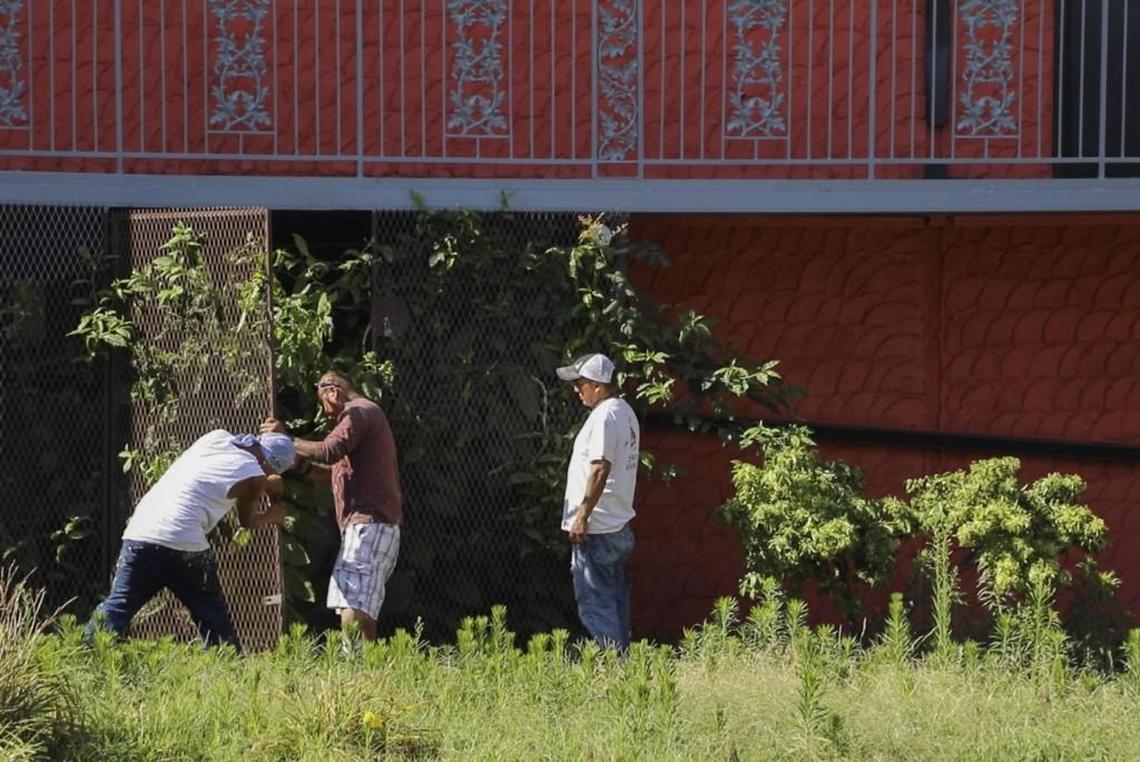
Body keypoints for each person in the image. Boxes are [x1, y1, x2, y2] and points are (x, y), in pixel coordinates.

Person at [85, 430, 295, 651]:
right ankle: (225, 661)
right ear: (268, 463)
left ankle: (86, 650)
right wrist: (272, 515)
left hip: (141, 530)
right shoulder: (254, 477)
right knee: (209, 612)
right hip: (183, 540)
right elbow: (248, 521)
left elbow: (219, 473)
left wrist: (267, 480)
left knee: (119, 604)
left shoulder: (216, 437)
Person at [261, 371, 402, 642]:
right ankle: (370, 664)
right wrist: (294, 463)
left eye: (325, 406)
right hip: (376, 526)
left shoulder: (359, 412)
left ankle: (351, 661)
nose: (328, 417)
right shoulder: (368, 419)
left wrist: (284, 440)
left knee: (350, 598)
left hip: (367, 524)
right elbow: (328, 472)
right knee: (363, 603)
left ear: (333, 392)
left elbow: (328, 451)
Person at [556, 352, 640, 650]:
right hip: (616, 525)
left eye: (581, 384)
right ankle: (623, 662)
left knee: (596, 604)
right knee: (615, 599)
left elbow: (600, 467)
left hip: (598, 528)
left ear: (598, 385)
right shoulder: (625, 412)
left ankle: (611, 665)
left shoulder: (604, 416)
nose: (576, 390)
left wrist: (582, 516)